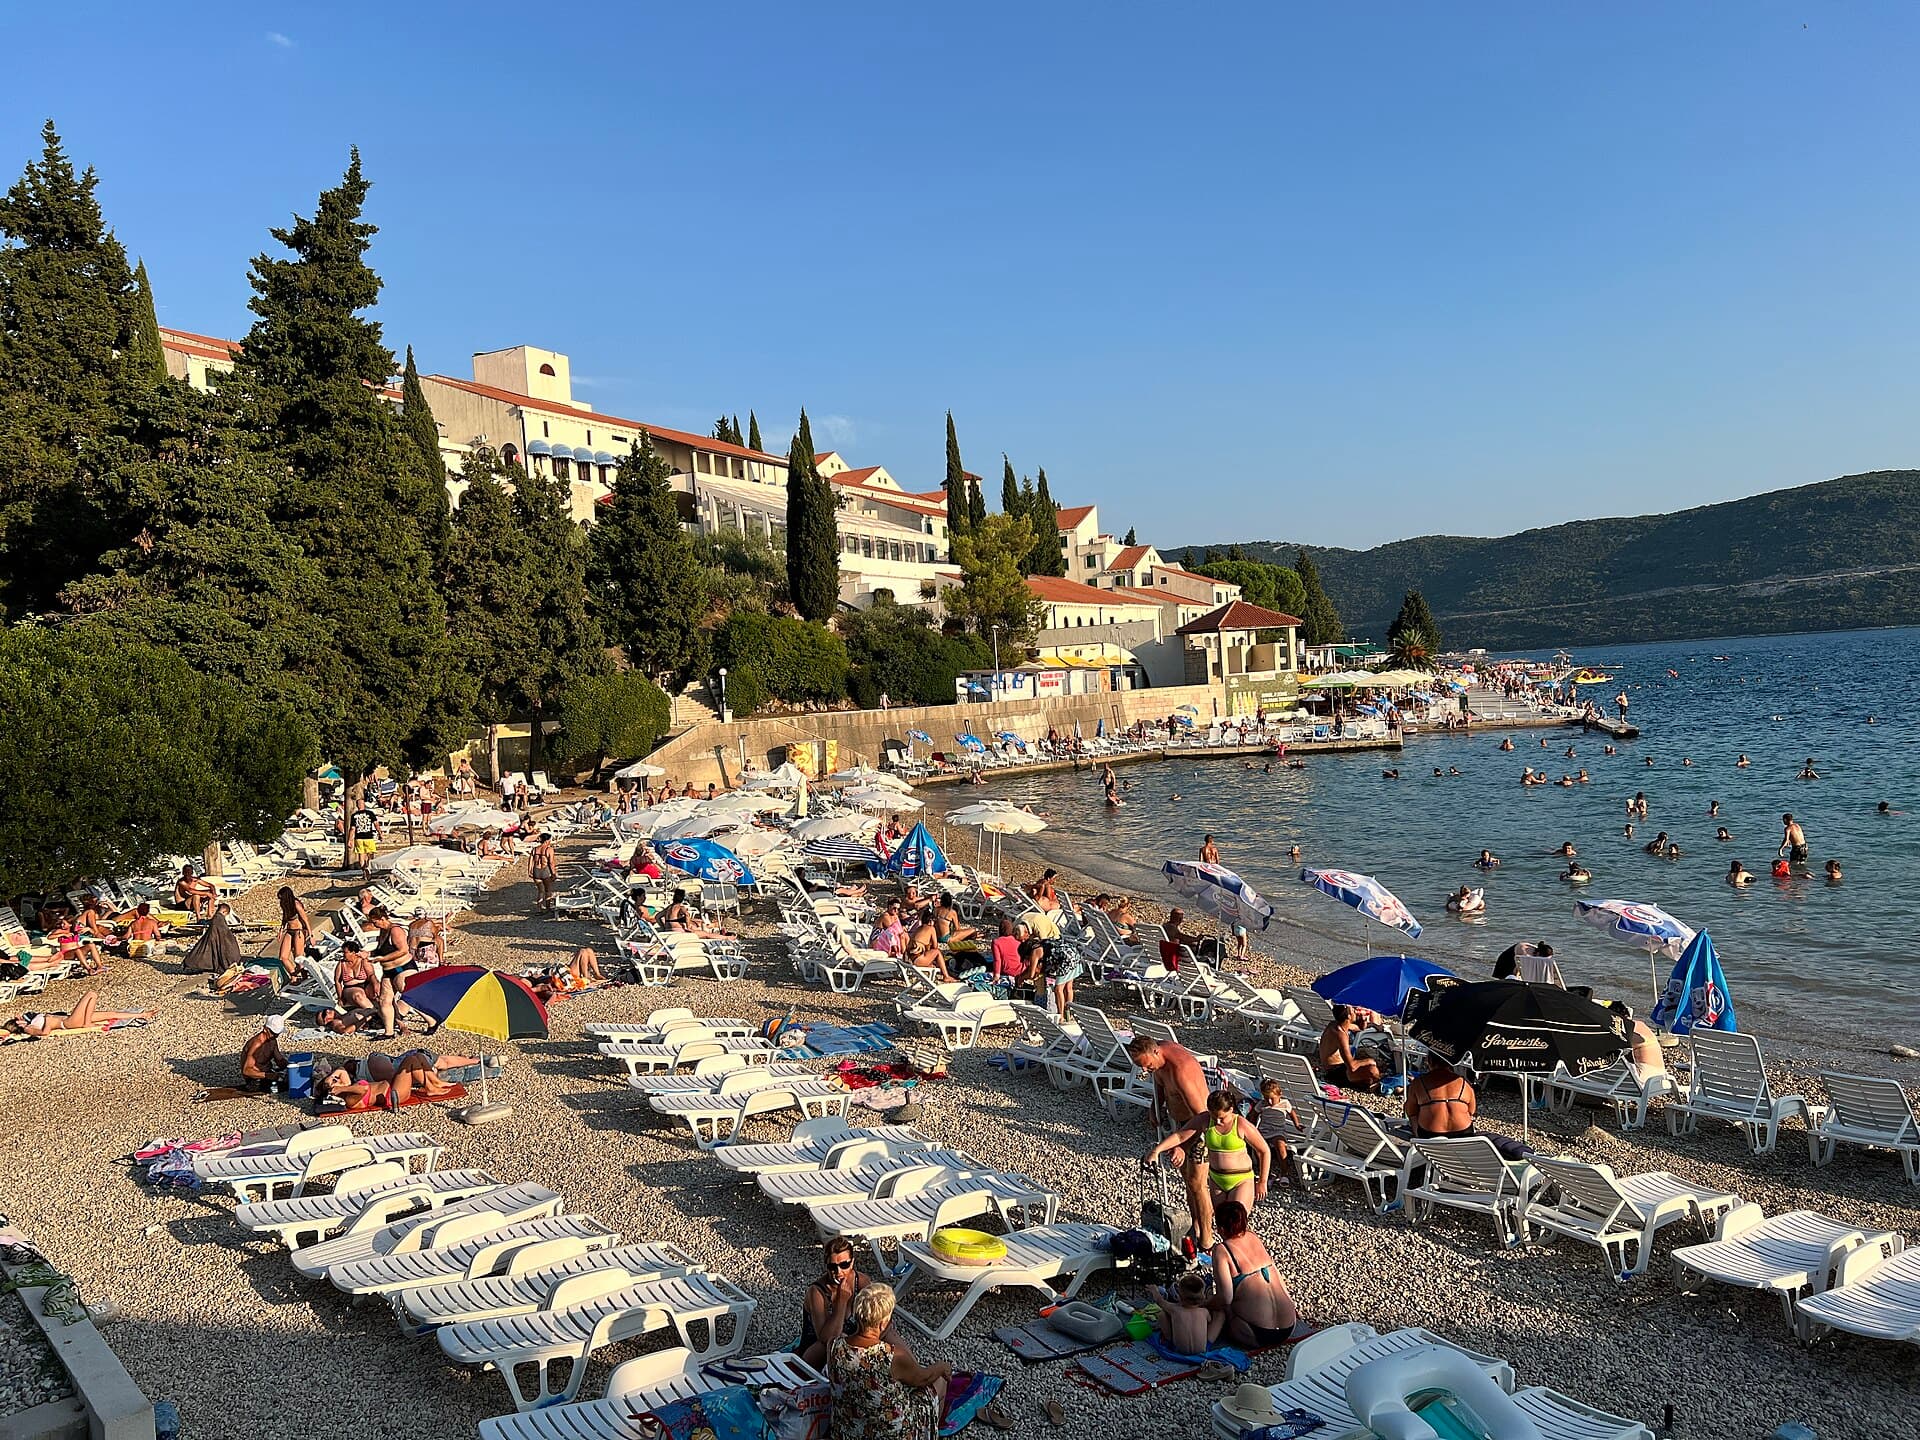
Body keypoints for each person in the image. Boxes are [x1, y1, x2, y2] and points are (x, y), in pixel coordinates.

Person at [827, 1283, 950, 1440]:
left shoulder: (834, 1345)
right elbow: (924, 1378)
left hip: (847, 1431)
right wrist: (942, 1367)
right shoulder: (892, 1357)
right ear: (882, 1322)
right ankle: (930, 1433)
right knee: (939, 1382)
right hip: (891, 1433)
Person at [1126, 1034, 1213, 1245]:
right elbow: (1159, 1079)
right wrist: (1155, 1104)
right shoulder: (1158, 1055)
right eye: (1141, 1067)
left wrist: (1182, 1146)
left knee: (1197, 1184)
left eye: (1147, 1066)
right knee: (1187, 1180)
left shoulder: (1181, 1072)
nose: (1144, 1071)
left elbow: (1203, 1117)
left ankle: (1207, 1240)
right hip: (1179, 1124)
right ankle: (1196, 1227)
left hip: (1198, 1130)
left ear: (1155, 1053)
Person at [1145, 1089, 1272, 1229]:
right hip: (1217, 1179)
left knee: (1236, 1224)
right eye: (1214, 1116)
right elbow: (1180, 1136)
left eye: (1222, 1118)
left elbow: (1264, 1150)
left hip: (1241, 1179)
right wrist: (1156, 1151)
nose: (1217, 1121)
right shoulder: (1205, 1119)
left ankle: (1244, 1249)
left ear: (1231, 1110)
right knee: (1222, 1224)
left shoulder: (1241, 1124)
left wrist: (1262, 1181)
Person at [1208, 1201, 1308, 1348]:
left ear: (1220, 1228)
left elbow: (1225, 1298)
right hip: (1289, 1326)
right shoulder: (1253, 1237)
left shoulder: (1222, 1250)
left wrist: (1205, 1304)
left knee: (1222, 1311)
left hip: (1256, 1332)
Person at [800, 1237, 888, 1370]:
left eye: (844, 1265)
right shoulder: (817, 1292)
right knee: (831, 1343)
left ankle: (912, 1369)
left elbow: (875, 1318)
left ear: (852, 1263)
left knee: (888, 1330)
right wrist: (841, 1302)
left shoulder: (861, 1282)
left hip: (852, 1340)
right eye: (832, 1267)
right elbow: (827, 1339)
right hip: (820, 1349)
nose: (838, 1272)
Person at [4, 993, 154, 1040]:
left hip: (69, 1019)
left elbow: (23, 1017)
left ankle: (142, 1014)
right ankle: (86, 1023)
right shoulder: (28, 1028)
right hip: (68, 1023)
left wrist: (21, 1018)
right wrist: (48, 1021)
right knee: (91, 994)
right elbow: (44, 1032)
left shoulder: (28, 1021)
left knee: (111, 1013)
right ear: (18, 1024)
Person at [1404, 1055, 1476, 1138]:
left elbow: (1411, 1112)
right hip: (1464, 1135)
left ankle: (1417, 1137)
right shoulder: (1464, 1083)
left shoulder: (1418, 1083)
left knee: (1413, 1114)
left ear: (1429, 1061)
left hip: (1430, 1136)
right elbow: (1471, 1111)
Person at [1317, 1005, 1381, 1090]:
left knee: (1374, 1067)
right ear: (1349, 1016)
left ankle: (1373, 1082)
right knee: (1372, 1069)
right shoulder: (1340, 1035)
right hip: (1334, 1073)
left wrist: (1365, 1021)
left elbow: (1359, 1028)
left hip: (1333, 1068)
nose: (1356, 1012)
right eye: (1353, 1011)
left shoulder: (1335, 1025)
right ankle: (1380, 1084)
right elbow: (1352, 1066)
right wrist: (1369, 1061)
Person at [1156, 1272, 1222, 1354]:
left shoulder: (1174, 1309)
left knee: (1162, 1314)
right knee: (1220, 1315)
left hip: (1177, 1350)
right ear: (1202, 1296)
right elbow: (1209, 1320)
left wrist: (1154, 1290)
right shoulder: (1204, 1312)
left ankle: (1169, 1340)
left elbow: (1160, 1301)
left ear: (1179, 1296)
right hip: (1202, 1350)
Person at [240, 1016, 290, 1091]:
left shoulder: (272, 1040)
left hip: (268, 1072)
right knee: (283, 1087)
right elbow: (246, 1070)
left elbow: (279, 1060)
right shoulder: (256, 1045)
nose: (276, 1036)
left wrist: (291, 1066)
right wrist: (267, 1075)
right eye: (274, 1033)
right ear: (265, 1029)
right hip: (255, 1078)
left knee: (290, 1081)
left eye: (277, 1033)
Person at [276, 887, 314, 981]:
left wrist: (311, 935)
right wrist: (281, 930)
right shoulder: (284, 904)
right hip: (289, 931)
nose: (280, 900)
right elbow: (284, 917)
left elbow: (305, 919)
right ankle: (294, 976)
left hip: (299, 931)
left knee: (298, 958)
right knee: (283, 957)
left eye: (281, 898)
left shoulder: (296, 904)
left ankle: (304, 977)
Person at [348, 800, 382, 879]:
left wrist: (350, 840)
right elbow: (376, 824)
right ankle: (368, 867)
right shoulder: (370, 813)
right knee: (370, 854)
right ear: (364, 804)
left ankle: (364, 872)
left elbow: (352, 829)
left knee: (361, 855)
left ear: (357, 806)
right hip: (368, 837)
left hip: (359, 838)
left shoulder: (354, 815)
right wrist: (380, 833)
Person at [529, 833, 558, 915]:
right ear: (546, 840)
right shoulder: (549, 849)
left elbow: (531, 861)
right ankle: (548, 908)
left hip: (536, 870)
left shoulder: (535, 849)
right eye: (549, 840)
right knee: (548, 890)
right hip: (545, 870)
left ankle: (539, 909)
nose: (550, 841)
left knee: (540, 891)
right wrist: (554, 873)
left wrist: (529, 871)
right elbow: (551, 862)